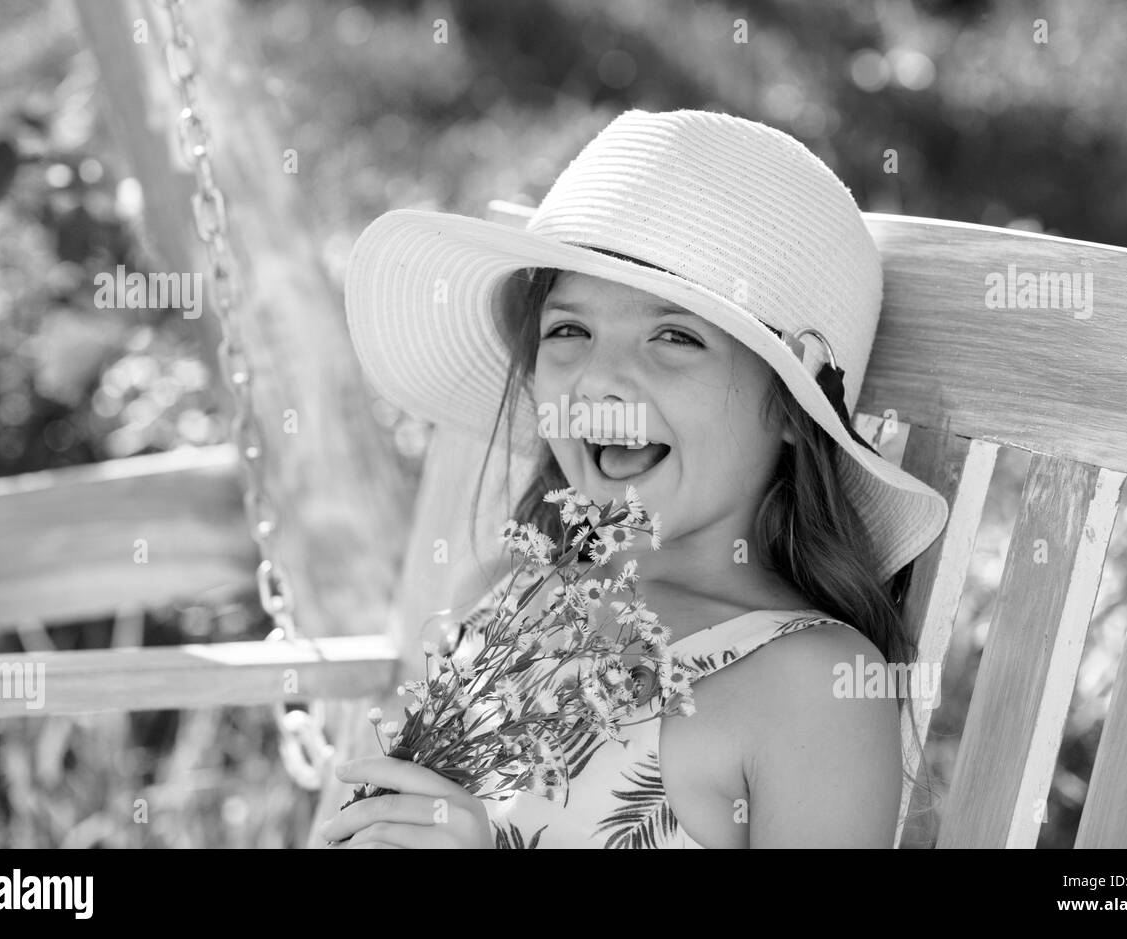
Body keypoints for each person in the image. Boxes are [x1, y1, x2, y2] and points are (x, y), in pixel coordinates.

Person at [322, 107, 949, 848]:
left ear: (791, 408)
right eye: (568, 330)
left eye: (675, 336)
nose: (599, 378)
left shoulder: (812, 687)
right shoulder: (505, 595)